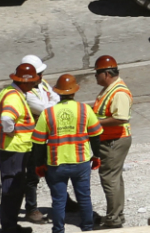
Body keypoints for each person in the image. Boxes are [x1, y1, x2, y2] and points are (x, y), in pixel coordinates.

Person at [33, 74, 100, 233]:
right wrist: (96, 156)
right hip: (81, 161)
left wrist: (39, 164)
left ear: (58, 92)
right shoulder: (84, 109)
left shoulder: (48, 113)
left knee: (58, 201)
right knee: (84, 198)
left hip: (56, 164)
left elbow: (39, 142)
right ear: (75, 91)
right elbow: (96, 135)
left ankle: (58, 230)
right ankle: (88, 227)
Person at [0, 61, 43, 233]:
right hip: (14, 149)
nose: (35, 84)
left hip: (16, 149)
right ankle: (9, 227)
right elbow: (7, 119)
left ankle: (10, 225)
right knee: (12, 191)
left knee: (14, 189)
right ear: (24, 81)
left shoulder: (12, 92)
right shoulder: (14, 97)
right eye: (32, 81)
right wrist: (10, 132)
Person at [90, 56, 132, 229]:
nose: (95, 77)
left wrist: (95, 123)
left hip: (114, 141)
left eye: (97, 73)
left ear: (106, 73)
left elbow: (121, 118)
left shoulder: (119, 92)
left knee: (110, 179)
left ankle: (113, 219)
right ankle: (117, 215)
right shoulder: (110, 89)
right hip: (111, 140)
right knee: (114, 178)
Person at [18, 56, 60, 223]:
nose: (42, 76)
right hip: (33, 139)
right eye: (39, 73)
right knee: (32, 175)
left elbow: (55, 99)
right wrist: (51, 102)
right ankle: (31, 208)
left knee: (52, 170)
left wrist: (51, 102)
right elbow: (45, 109)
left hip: (46, 136)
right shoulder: (26, 92)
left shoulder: (42, 84)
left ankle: (62, 200)